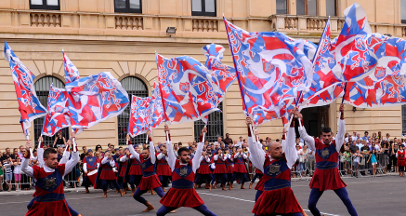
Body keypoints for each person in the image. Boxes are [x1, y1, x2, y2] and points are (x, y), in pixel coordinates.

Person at [295, 104, 358, 216]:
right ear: (321, 136)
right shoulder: (316, 144)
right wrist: (300, 120)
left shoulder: (336, 144)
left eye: (329, 135)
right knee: (311, 205)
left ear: (331, 135)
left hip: (333, 175)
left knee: (347, 200)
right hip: (319, 176)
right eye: (325, 135)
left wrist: (342, 114)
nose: (327, 137)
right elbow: (304, 136)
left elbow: (341, 132)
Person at [247, 116, 305, 216]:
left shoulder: (287, 160)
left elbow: (290, 143)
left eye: (280, 148)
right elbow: (254, 149)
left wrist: (292, 121)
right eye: (276, 149)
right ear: (269, 152)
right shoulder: (264, 162)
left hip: (285, 197)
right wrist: (249, 128)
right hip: (268, 197)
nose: (280, 150)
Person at [157, 126, 217, 216]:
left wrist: (202, 135)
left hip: (190, 194)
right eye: (185, 155)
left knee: (207, 212)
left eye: (188, 155)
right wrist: (167, 133)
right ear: (179, 157)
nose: (188, 156)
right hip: (175, 194)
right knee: (159, 213)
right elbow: (169, 149)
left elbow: (199, 150)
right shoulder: (174, 163)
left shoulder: (193, 164)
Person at [22, 133, 79, 216]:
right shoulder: (38, 171)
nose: (56, 161)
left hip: (58, 208)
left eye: (56, 158)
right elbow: (24, 168)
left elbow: (75, 159)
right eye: (53, 159)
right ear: (45, 160)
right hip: (42, 208)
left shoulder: (61, 169)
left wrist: (74, 144)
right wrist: (27, 152)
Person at [128, 131, 165, 212]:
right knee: (136, 195)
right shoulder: (140, 157)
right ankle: (148, 205)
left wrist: (150, 138)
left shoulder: (152, 159)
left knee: (161, 193)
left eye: (145, 153)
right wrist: (129, 141)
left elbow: (152, 149)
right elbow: (133, 152)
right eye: (143, 153)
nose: (144, 154)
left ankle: (170, 206)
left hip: (152, 178)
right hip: (144, 180)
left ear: (148, 153)